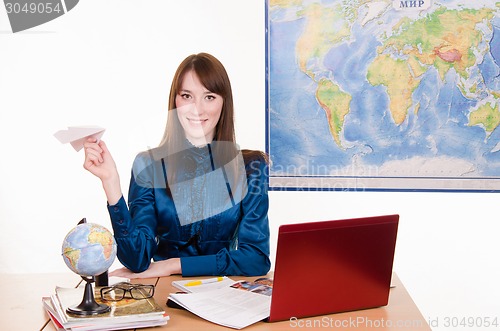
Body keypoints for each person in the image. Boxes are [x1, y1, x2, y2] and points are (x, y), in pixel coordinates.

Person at [83, 53, 271, 279]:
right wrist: (110, 182)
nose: (197, 109)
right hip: (165, 294)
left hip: (223, 296)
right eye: (187, 96)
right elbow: (137, 258)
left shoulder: (251, 167)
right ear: (175, 100)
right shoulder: (149, 165)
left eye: (209, 97)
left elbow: (257, 259)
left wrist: (173, 265)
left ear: (224, 102)